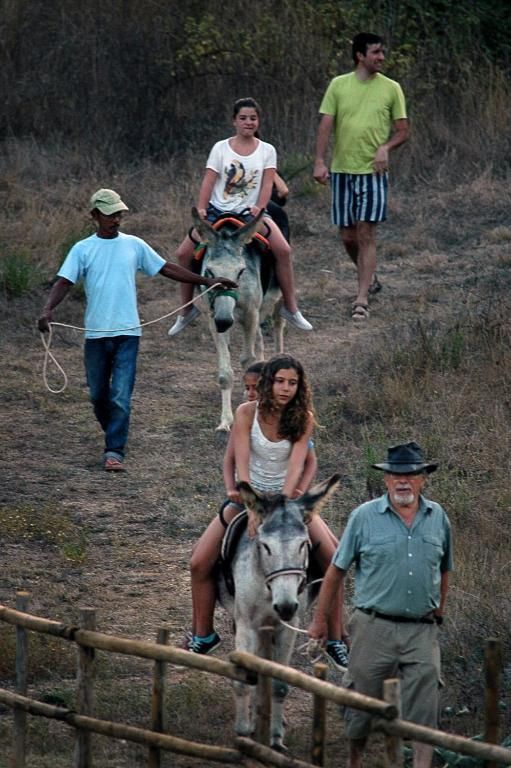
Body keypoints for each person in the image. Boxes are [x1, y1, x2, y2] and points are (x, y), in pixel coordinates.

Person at [38, 188, 237, 472]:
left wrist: (207, 281)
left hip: (128, 334)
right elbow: (64, 282)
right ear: (95, 215)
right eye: (109, 215)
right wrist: (47, 310)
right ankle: (114, 432)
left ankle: (114, 450)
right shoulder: (82, 249)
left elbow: (166, 268)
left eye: (119, 214)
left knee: (120, 394)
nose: (116, 220)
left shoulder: (134, 245)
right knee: (98, 396)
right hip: (96, 335)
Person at [188, 354, 347, 669]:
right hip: (250, 498)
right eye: (280, 381)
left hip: (288, 504)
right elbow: (242, 462)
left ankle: (335, 638)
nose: (286, 388)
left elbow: (298, 463)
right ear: (268, 382)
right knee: (198, 562)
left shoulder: (303, 418)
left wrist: (283, 507)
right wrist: (250, 502)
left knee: (334, 560)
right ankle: (203, 634)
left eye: (293, 383)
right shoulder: (247, 412)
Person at [308, 441, 453, 768]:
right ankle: (354, 761)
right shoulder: (363, 517)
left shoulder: (438, 517)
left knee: (424, 708)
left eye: (412, 474)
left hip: (421, 630)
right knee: (359, 705)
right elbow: (335, 572)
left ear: (423, 479)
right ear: (386, 479)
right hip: (374, 627)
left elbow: (445, 568)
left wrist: (439, 610)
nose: (404, 481)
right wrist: (319, 622)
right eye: (396, 475)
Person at [168, 97, 312, 336]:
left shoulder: (267, 150)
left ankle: (290, 307)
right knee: (183, 253)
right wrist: (202, 208)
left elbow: (267, 183)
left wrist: (260, 207)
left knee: (283, 250)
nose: (248, 122)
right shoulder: (220, 148)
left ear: (258, 121)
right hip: (217, 211)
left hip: (249, 214)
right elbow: (209, 179)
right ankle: (186, 310)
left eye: (253, 118)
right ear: (234, 121)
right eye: (243, 118)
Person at [313, 32, 409, 322]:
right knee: (347, 235)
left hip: (373, 172)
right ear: (360, 55)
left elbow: (403, 130)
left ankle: (362, 297)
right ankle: (369, 277)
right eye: (376, 52)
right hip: (342, 170)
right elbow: (326, 125)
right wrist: (319, 161)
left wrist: (385, 147)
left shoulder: (391, 88)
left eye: (382, 52)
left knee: (366, 232)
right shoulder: (338, 85)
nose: (381, 57)